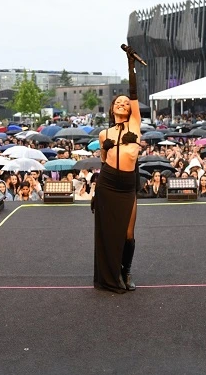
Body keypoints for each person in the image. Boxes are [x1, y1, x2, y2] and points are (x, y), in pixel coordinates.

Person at [93, 45, 141, 293]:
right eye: (118, 102)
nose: (123, 103)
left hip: (127, 184)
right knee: (109, 231)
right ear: (112, 109)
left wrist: (130, 65)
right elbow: (102, 160)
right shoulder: (104, 134)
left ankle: (126, 270)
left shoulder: (135, 124)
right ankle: (111, 275)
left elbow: (133, 93)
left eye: (125, 102)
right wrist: (96, 190)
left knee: (128, 231)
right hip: (108, 182)